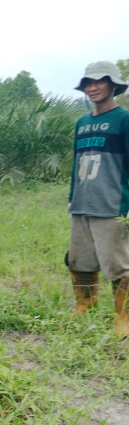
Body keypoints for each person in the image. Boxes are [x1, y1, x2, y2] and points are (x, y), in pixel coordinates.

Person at [68, 61, 129, 337]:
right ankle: (85, 305)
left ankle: (123, 317)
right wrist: (72, 196)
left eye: (99, 81)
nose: (92, 88)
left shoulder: (124, 119)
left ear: (113, 85)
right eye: (88, 83)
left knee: (118, 265)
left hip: (112, 204)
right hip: (81, 204)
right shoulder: (82, 123)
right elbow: (76, 163)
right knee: (79, 260)